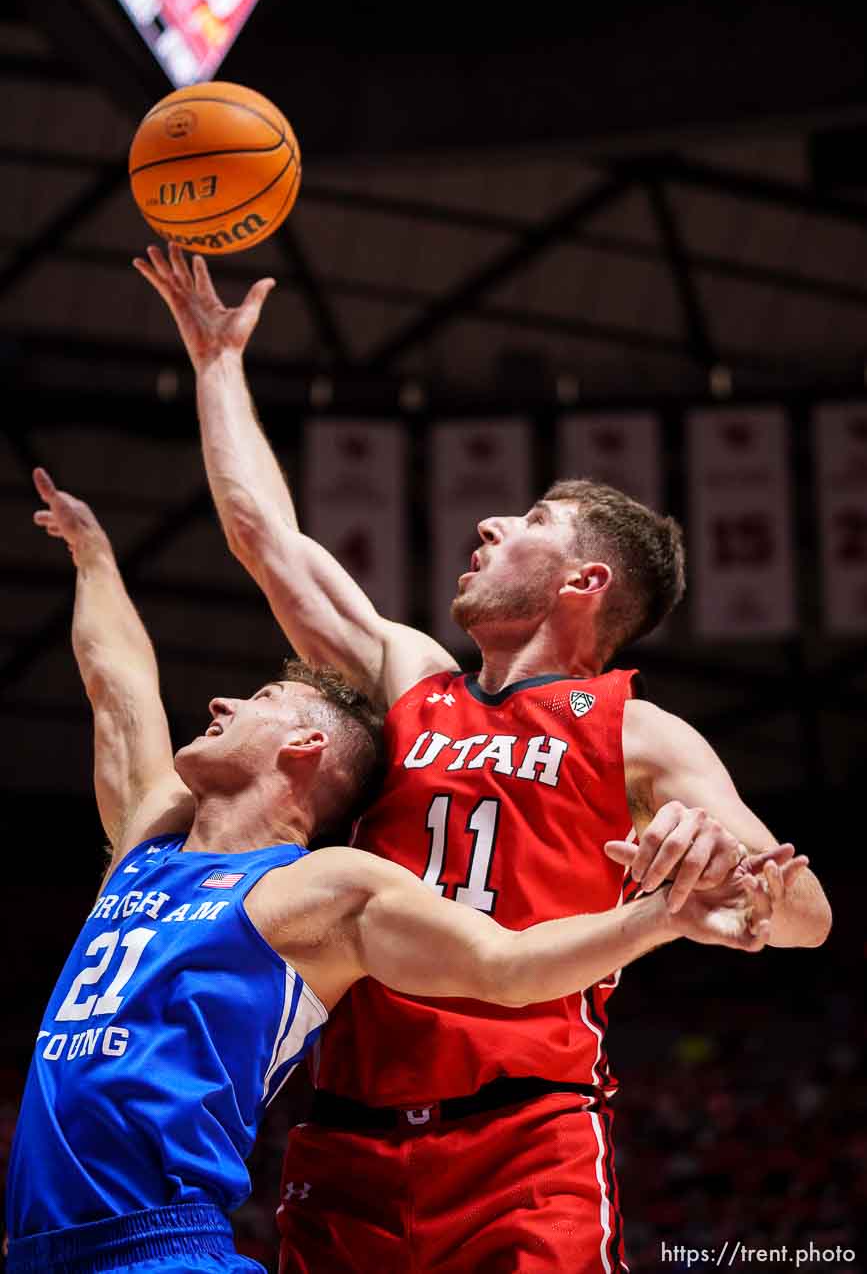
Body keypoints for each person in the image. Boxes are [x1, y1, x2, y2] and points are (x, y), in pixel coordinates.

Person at [134, 245, 833, 1274]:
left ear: (584, 579)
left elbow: (806, 916)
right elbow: (263, 537)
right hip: (347, 1139)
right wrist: (214, 362)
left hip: (527, 1144)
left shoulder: (638, 729)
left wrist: (727, 875)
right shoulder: (411, 677)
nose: (490, 521)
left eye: (531, 520)